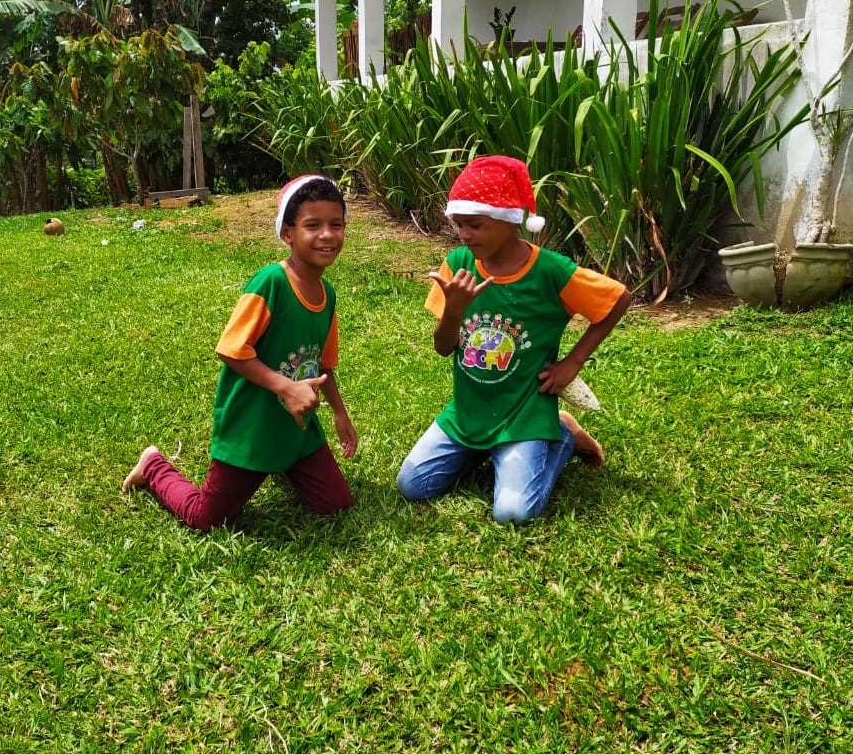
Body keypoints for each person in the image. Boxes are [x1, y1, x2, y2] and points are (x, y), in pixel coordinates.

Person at [397, 155, 630, 524]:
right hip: (469, 413)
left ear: (510, 221)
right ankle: (481, 449)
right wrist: (454, 310)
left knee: (512, 513)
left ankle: (563, 435)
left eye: (475, 224)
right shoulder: (458, 263)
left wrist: (573, 362)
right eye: (459, 225)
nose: (464, 234)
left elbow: (618, 299)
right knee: (412, 485)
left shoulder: (550, 271)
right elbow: (443, 348)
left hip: (525, 414)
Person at [123, 175, 357, 529]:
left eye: (336, 224)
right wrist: (285, 386)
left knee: (336, 503)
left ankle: (284, 464)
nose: (327, 234)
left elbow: (324, 364)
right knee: (207, 518)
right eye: (313, 225)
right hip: (251, 427)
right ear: (287, 234)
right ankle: (154, 466)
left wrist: (339, 412)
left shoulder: (328, 295)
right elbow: (231, 350)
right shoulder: (271, 283)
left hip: (297, 431)